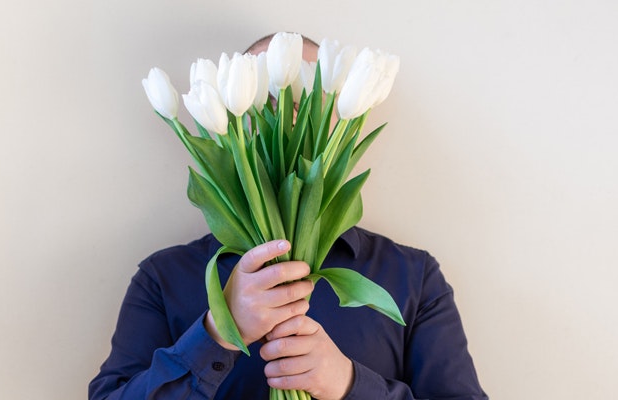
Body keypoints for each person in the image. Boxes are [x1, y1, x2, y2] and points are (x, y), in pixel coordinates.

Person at [89, 34, 488, 400]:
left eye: (305, 102)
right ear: (228, 117)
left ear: (338, 119)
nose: (282, 121)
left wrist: (349, 384)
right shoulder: (164, 278)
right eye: (265, 103)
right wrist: (218, 334)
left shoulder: (412, 277)